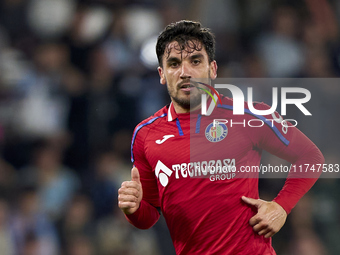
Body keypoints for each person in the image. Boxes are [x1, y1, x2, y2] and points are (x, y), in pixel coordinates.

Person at [118, 20, 324, 255]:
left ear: (212, 69)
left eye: (195, 61)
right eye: (174, 64)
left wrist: (281, 206)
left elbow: (310, 156)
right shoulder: (145, 135)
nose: (185, 72)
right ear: (162, 74)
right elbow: (149, 216)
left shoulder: (250, 116)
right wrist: (133, 209)